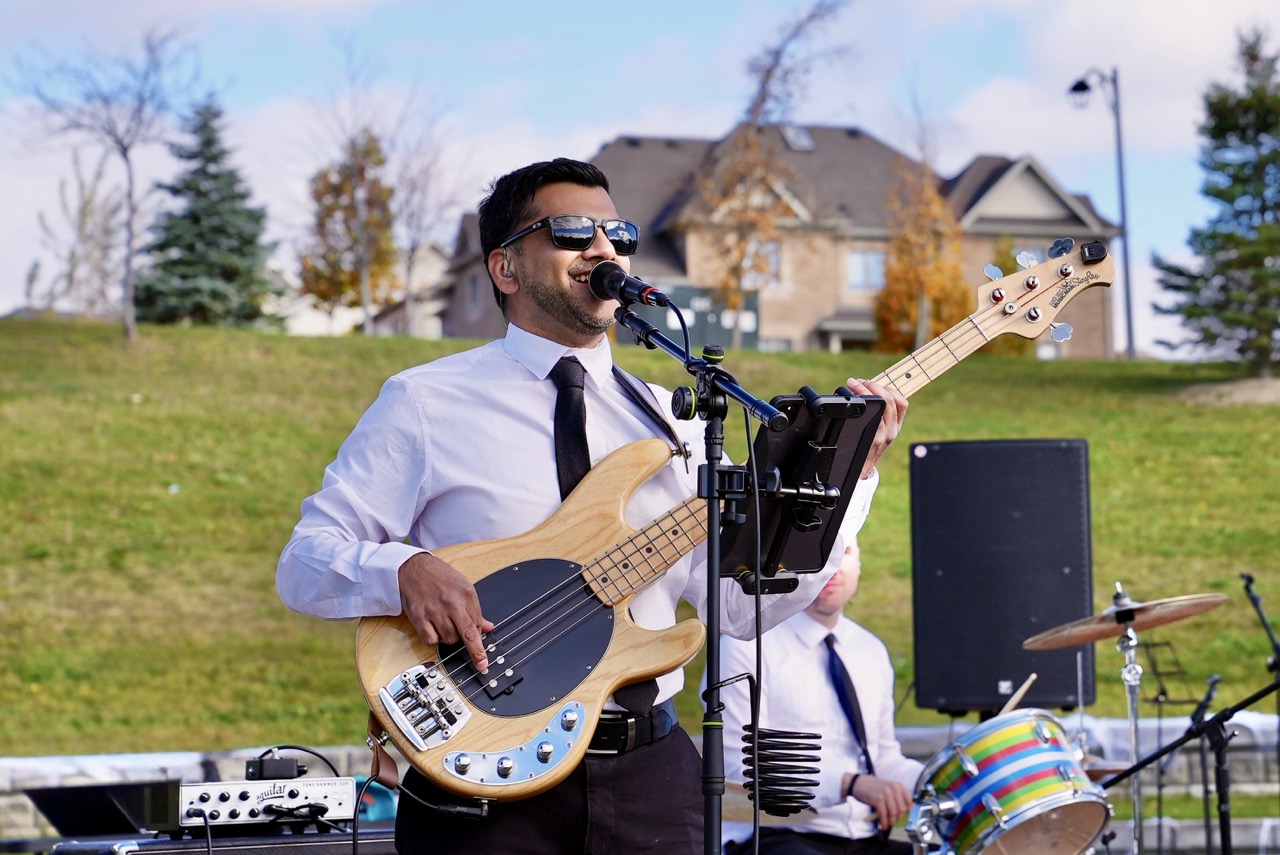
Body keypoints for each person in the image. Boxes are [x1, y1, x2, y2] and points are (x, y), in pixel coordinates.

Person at [276, 157, 908, 855]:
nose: (604, 249)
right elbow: (306, 561)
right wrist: (403, 570)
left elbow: (740, 604)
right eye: (573, 232)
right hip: (485, 769)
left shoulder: (681, 422)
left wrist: (852, 473)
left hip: (651, 777)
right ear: (505, 268)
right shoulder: (425, 402)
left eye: (618, 233)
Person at [715, 540, 923, 855]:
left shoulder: (871, 650)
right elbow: (739, 768)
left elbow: (882, 759)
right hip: (776, 836)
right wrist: (849, 783)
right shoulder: (745, 646)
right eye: (821, 550)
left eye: (847, 552)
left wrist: (944, 778)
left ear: (860, 564)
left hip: (865, 838)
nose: (834, 565)